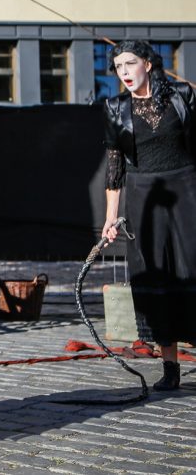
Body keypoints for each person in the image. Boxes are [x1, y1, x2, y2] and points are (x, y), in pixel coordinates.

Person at [102, 40, 196, 391]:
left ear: (148, 64)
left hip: (186, 189)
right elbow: (115, 168)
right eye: (118, 67)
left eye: (130, 63)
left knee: (191, 267)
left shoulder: (182, 96)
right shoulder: (114, 108)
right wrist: (111, 218)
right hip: (143, 196)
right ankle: (170, 366)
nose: (124, 72)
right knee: (156, 274)